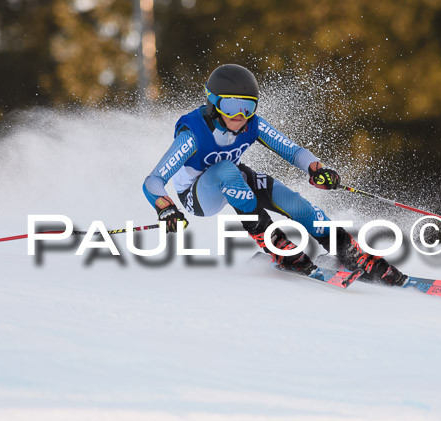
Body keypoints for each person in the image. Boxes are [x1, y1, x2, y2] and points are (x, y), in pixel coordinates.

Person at [143, 64, 406, 286]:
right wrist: (165, 208)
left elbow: (291, 151)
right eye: (231, 105)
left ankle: (350, 253)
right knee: (226, 170)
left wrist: (317, 169)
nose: (239, 116)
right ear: (213, 102)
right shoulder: (193, 135)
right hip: (197, 196)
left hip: (233, 178)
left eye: (247, 107)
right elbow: (153, 181)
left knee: (296, 204)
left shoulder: (252, 124)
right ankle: (276, 244)